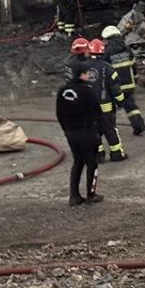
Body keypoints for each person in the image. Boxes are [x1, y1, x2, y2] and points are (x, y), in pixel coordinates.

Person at [56, 61, 104, 205]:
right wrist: (98, 133)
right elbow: (97, 113)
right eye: (87, 73)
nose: (89, 75)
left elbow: (59, 113)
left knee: (78, 162)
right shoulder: (86, 91)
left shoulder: (63, 91)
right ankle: (91, 194)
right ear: (82, 74)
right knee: (92, 163)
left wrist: (66, 130)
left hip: (71, 133)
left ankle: (74, 195)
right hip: (86, 133)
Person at [84, 38, 127, 162]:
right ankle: (116, 154)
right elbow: (115, 88)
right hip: (106, 107)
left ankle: (98, 155)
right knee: (110, 130)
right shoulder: (107, 68)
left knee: (93, 131)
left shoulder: (82, 68)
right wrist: (120, 101)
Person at [101, 25, 145, 135]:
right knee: (131, 106)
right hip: (129, 85)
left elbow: (104, 70)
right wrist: (135, 77)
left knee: (111, 107)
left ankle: (111, 129)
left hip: (115, 86)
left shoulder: (107, 53)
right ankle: (138, 126)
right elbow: (133, 65)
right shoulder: (126, 50)